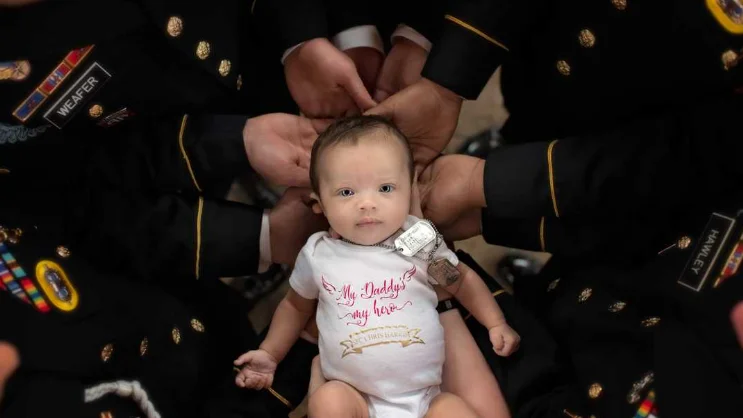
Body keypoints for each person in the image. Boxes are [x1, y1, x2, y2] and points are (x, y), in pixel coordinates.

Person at [356, 1, 743, 417]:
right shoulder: (315, 254)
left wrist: (457, 269)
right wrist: (449, 80)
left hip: (619, 292)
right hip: (584, 108)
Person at [234, 116, 518, 417]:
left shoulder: (417, 240)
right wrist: (270, 353)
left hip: (426, 399)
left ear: (409, 191)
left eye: (385, 188)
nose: (367, 203)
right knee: (329, 401)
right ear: (319, 204)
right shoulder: (318, 253)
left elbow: (458, 281)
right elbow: (294, 307)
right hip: (356, 398)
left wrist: (495, 321)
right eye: (346, 192)